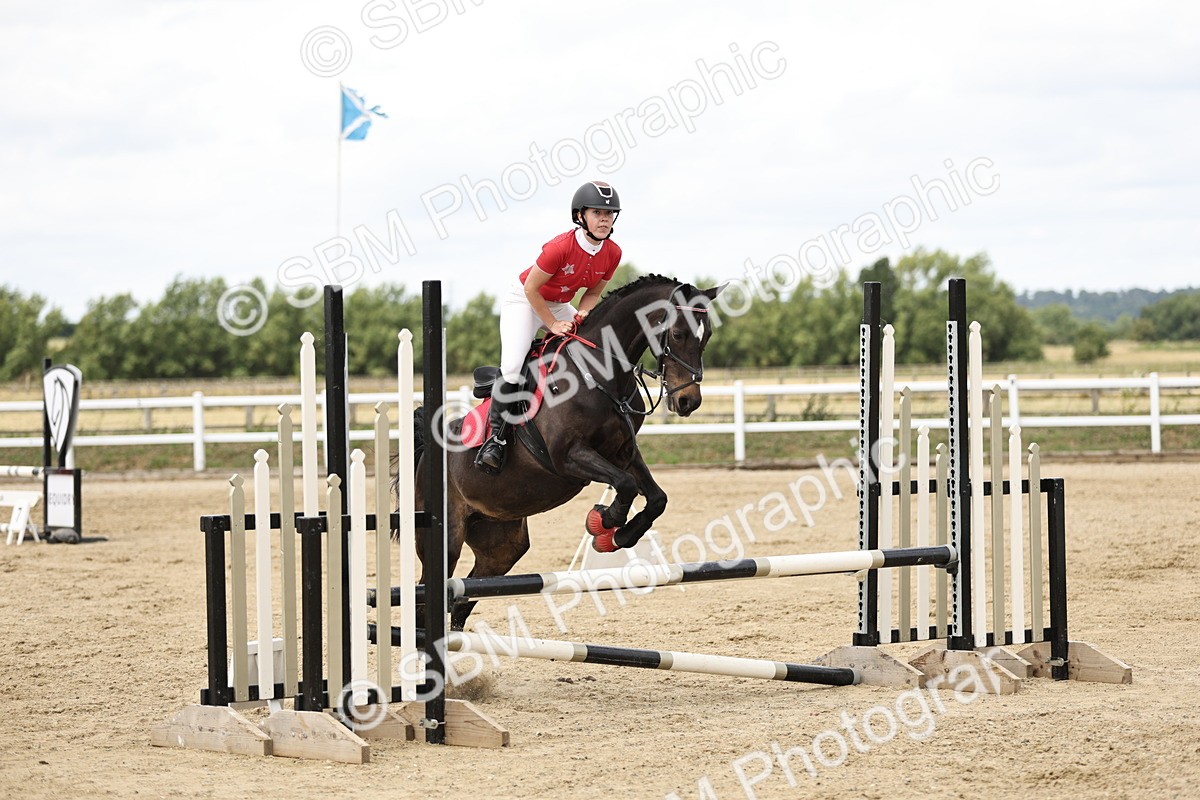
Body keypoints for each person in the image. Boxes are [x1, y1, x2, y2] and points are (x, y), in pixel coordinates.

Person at [475, 180, 623, 473]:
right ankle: (495, 441)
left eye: (610, 213)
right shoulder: (559, 247)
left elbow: (592, 292)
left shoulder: (613, 253)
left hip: (558, 304)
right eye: (597, 212)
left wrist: (582, 312)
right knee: (514, 366)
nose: (605, 219)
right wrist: (553, 322)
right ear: (580, 216)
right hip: (525, 301)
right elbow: (532, 289)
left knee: (590, 348)